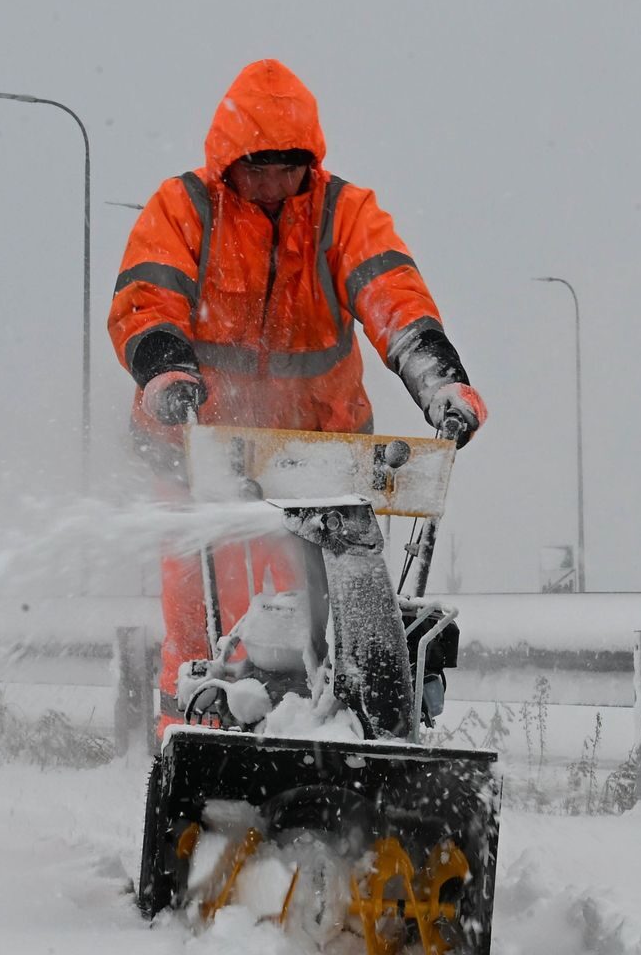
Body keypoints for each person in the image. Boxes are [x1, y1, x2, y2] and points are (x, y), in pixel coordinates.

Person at [107, 59, 487, 729]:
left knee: (326, 611)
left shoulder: (344, 215)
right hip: (197, 448)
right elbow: (148, 298)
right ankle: (194, 738)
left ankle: (337, 730)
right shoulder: (186, 209)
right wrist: (166, 370)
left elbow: (392, 295)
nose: (273, 185)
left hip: (316, 456)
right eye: (258, 169)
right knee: (198, 611)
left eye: (288, 169)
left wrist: (439, 381)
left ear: (309, 164)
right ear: (228, 163)